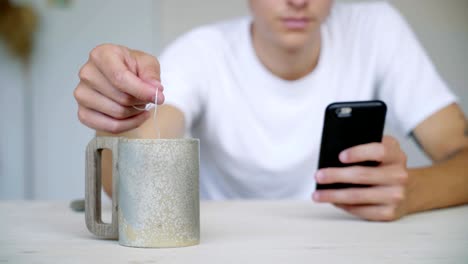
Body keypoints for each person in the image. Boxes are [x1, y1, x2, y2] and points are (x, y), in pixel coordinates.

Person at [73, 0, 468, 221]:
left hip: (346, 244)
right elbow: (127, 171)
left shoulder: (377, 27)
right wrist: (122, 110)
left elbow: (460, 154)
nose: (298, 1)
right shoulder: (203, 51)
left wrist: (412, 190)